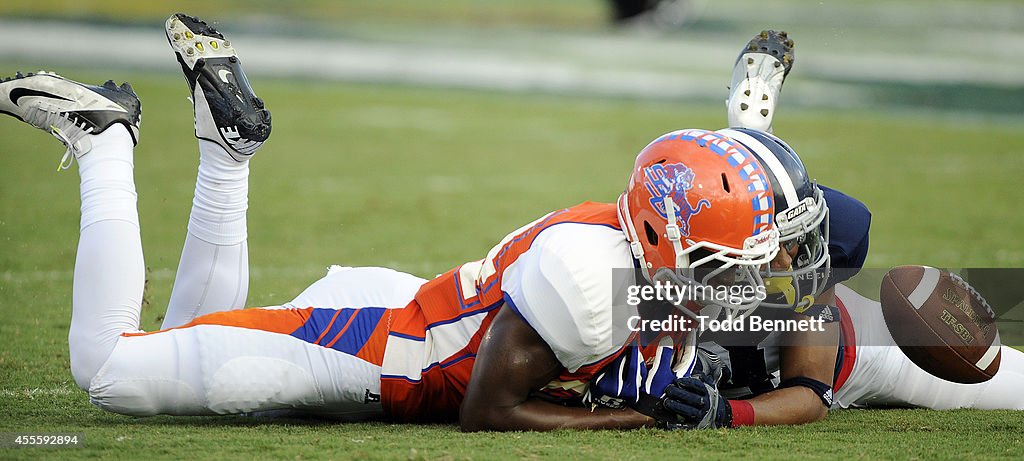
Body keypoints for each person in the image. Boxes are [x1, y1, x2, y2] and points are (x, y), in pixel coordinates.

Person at [0, 13, 796, 430]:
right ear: (668, 244)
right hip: (367, 351)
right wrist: (634, 416)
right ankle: (104, 140)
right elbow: (489, 413)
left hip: (406, 321)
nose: (744, 279)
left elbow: (718, 191)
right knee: (107, 372)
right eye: (727, 263)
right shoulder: (594, 274)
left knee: (192, 337)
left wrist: (753, 113)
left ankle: (226, 152)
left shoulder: (648, 242)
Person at [641, 30, 1024, 429]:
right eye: (783, 243)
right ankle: (751, 134)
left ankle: (752, 136)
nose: (796, 256)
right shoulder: (650, 272)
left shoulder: (821, 241)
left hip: (862, 355)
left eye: (795, 242)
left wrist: (724, 413)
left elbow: (808, 392)